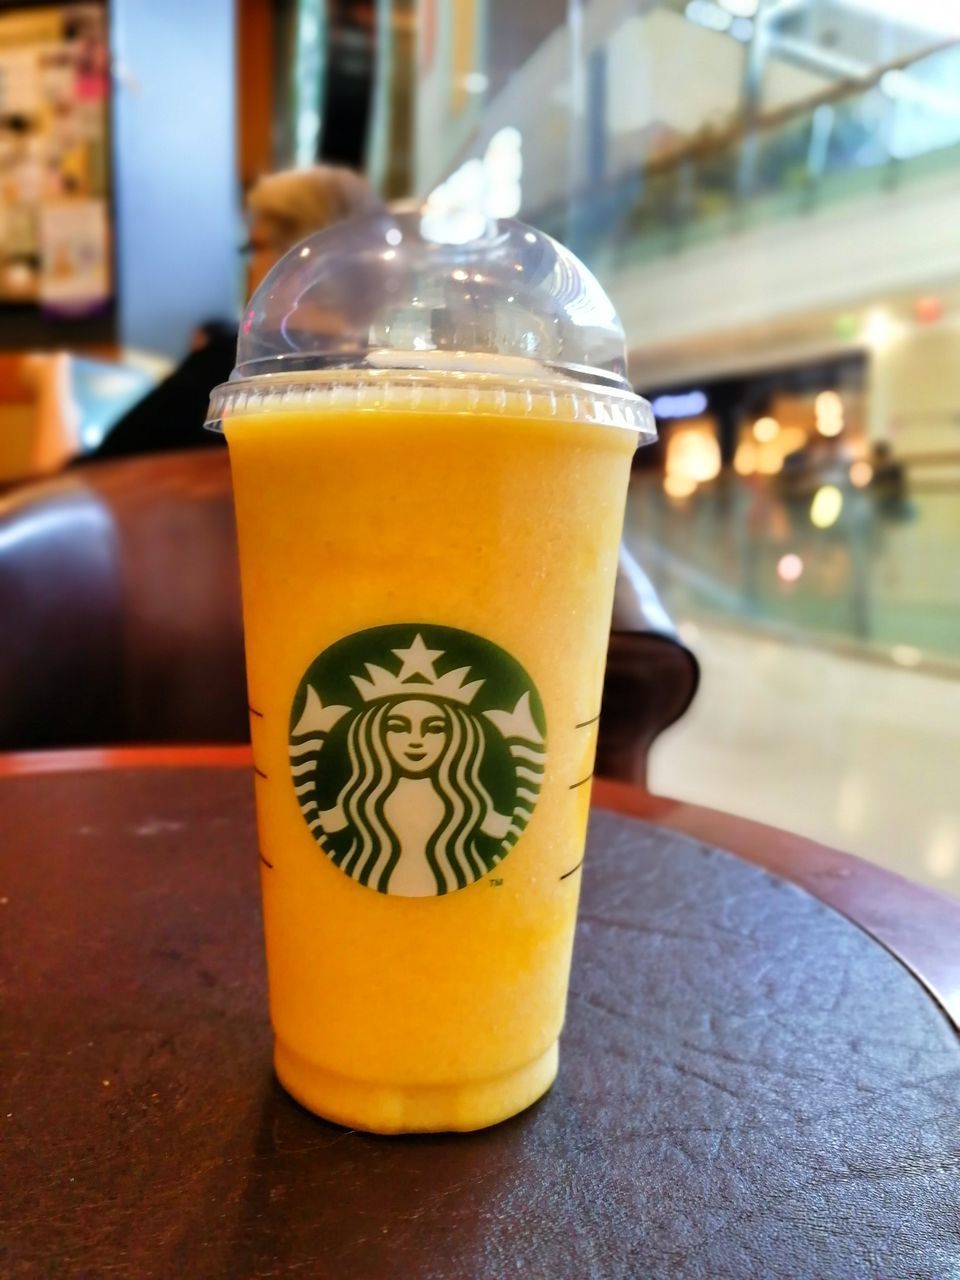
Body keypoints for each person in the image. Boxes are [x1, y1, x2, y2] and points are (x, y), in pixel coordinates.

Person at [81, 165, 379, 462]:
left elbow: (86, 475)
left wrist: (49, 381)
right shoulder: (380, 380)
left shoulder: (229, 369)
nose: (249, 265)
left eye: (254, 246)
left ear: (298, 261)